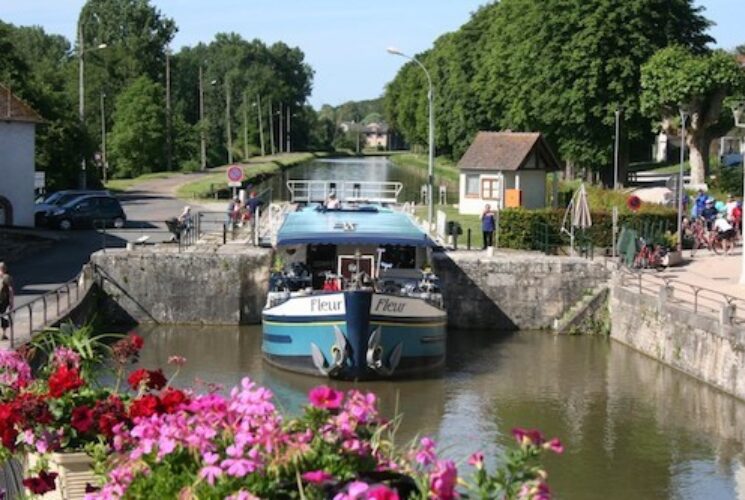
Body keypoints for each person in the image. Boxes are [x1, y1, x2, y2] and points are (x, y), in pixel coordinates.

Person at [0, 262, 14, 340]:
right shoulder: (7, 277)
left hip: (3, 300)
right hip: (4, 301)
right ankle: (3, 334)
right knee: (4, 317)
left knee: (3, 317)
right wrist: (11, 301)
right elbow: (10, 290)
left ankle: (3, 334)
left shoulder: (5, 277)